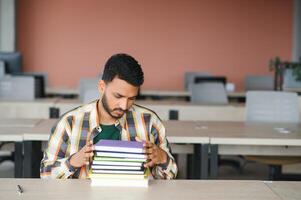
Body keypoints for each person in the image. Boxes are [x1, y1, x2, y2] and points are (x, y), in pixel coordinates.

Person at [40, 53, 178, 179]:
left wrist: (163, 159)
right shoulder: (69, 122)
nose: (124, 106)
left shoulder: (149, 122)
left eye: (131, 98)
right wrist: (73, 162)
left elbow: (169, 178)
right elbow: (45, 175)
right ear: (101, 87)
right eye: (118, 96)